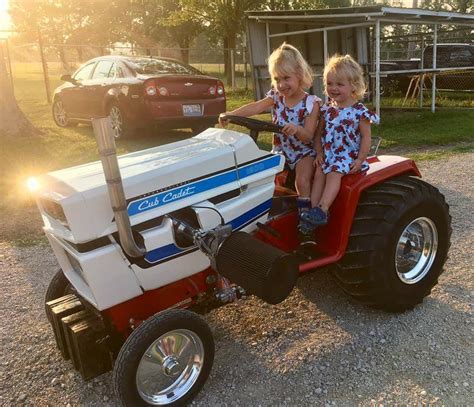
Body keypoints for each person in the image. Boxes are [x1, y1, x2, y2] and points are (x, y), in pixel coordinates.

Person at [219, 42, 321, 224]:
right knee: (258, 177)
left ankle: (306, 217)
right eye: (277, 79)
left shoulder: (311, 103)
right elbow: (255, 107)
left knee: (302, 180)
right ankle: (259, 215)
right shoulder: (276, 97)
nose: (281, 84)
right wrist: (231, 114)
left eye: (286, 78)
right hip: (280, 150)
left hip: (303, 152)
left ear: (299, 75)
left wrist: (297, 129)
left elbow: (308, 136)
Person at [300, 54, 380, 233]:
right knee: (319, 171)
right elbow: (319, 134)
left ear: (353, 86)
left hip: (348, 156)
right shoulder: (327, 109)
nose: (333, 88)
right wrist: (319, 153)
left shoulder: (359, 111)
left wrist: (360, 159)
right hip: (328, 153)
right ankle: (312, 212)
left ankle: (323, 209)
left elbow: (366, 137)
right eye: (329, 84)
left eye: (339, 84)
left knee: (333, 173)